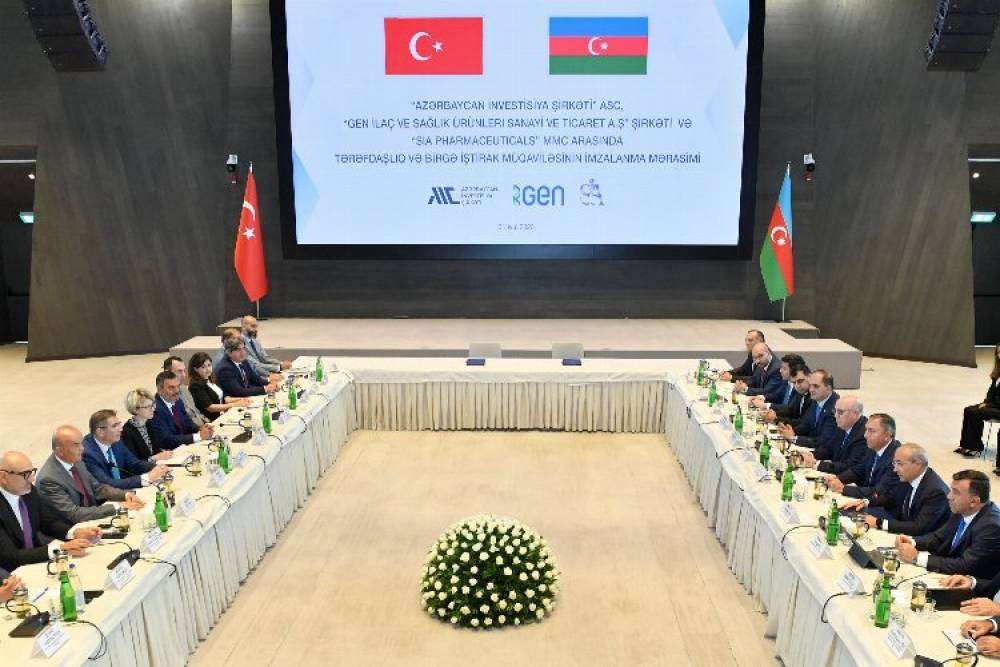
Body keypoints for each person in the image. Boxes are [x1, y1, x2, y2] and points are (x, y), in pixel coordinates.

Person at [0, 451, 102, 572]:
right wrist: (60, 548)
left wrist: (74, 533)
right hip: (10, 574)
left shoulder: (29, 492)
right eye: (25, 474)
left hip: (36, 563)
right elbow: (11, 557)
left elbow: (48, 522)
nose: (32, 479)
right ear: (3, 477)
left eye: (32, 472)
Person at [895, 470, 1000, 577]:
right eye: (951, 490)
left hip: (969, 581)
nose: (949, 496)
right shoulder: (962, 509)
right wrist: (913, 542)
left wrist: (917, 557)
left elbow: (965, 565)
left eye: (956, 492)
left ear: (974, 501)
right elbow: (938, 537)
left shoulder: (991, 527)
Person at [36, 426, 144, 524]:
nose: (82, 448)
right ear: (60, 450)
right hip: (74, 529)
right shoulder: (48, 479)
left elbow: (97, 488)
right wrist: (117, 507)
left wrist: (125, 495)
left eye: (81, 443)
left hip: (93, 518)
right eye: (76, 445)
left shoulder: (75, 460)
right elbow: (74, 514)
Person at [845, 443, 950, 535]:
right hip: (899, 521)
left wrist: (879, 523)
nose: (895, 469)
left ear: (918, 464)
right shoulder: (909, 475)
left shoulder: (936, 491)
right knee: (851, 516)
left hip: (918, 539)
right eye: (894, 463)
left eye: (900, 464)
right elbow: (890, 497)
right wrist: (866, 502)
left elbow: (919, 527)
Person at [827, 413, 901, 509]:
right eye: (866, 430)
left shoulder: (897, 458)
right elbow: (859, 470)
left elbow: (879, 491)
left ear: (887, 435)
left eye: (871, 431)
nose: (865, 435)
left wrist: (843, 489)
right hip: (866, 500)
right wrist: (838, 479)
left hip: (883, 507)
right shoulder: (873, 447)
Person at [82, 409, 167, 489]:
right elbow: (107, 484)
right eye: (115, 426)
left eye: (119, 424)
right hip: (109, 497)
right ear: (100, 432)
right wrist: (147, 478)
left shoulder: (116, 440)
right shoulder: (88, 454)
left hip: (126, 490)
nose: (121, 429)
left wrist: (157, 467)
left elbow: (134, 464)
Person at [800, 396, 867, 475]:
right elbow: (829, 449)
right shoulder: (843, 426)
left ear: (855, 413)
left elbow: (849, 466)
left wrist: (816, 463)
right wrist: (811, 455)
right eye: (835, 411)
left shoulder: (863, 435)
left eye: (840, 412)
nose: (835, 416)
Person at [955, 343, 1000, 459]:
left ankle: (975, 447)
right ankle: (966, 445)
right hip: (994, 405)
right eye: (999, 353)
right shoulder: (998, 372)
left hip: (998, 407)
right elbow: (991, 392)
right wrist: (986, 402)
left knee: (976, 412)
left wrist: (988, 405)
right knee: (968, 410)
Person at [149, 371, 214, 452]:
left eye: (178, 386)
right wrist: (198, 436)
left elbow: (187, 423)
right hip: (169, 452)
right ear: (160, 390)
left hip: (184, 446)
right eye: (171, 388)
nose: (177, 391)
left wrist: (201, 428)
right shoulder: (154, 410)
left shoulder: (177, 400)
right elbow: (167, 440)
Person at [777, 369, 840, 451]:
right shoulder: (816, 400)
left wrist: (794, 438)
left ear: (828, 388)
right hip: (810, 447)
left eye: (816, 386)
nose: (811, 390)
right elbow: (806, 424)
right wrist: (791, 431)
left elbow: (823, 441)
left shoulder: (836, 408)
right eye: (810, 385)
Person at [187, 352, 251, 421]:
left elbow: (223, 399)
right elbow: (210, 407)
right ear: (195, 369)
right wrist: (236, 404)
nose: (208, 369)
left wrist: (242, 399)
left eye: (209, 365)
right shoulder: (196, 385)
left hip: (223, 415)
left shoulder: (211, 378)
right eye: (203, 367)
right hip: (212, 420)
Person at [121, 389, 174, 463]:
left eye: (153, 405)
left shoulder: (149, 423)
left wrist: (164, 452)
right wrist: (155, 458)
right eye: (148, 406)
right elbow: (133, 463)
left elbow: (156, 449)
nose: (153, 409)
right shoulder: (127, 432)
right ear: (135, 409)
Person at [163, 356, 207, 427]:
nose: (184, 375)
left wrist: (208, 422)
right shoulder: (165, 399)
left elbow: (195, 411)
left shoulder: (183, 388)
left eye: (184, 371)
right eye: (179, 371)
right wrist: (200, 430)